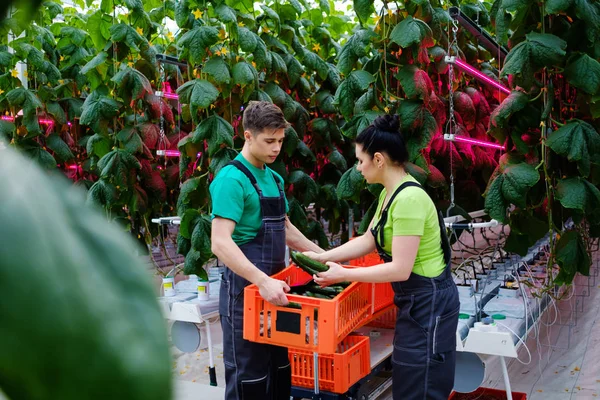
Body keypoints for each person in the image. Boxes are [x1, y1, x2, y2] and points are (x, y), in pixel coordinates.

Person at [304, 114, 460, 400]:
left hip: (430, 303)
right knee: (409, 378)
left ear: (378, 159)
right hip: (416, 303)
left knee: (422, 383)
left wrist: (344, 273)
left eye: (360, 160)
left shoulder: (409, 199)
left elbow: (400, 269)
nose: (358, 168)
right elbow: (369, 239)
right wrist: (322, 256)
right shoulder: (390, 194)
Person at [210, 101, 324, 400]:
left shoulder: (274, 178)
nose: (276, 149)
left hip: (276, 290)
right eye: (269, 141)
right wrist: (262, 281)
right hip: (244, 294)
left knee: (279, 369)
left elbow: (285, 229)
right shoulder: (231, 179)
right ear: (248, 136)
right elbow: (220, 241)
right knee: (250, 376)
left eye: (280, 141)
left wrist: (325, 258)